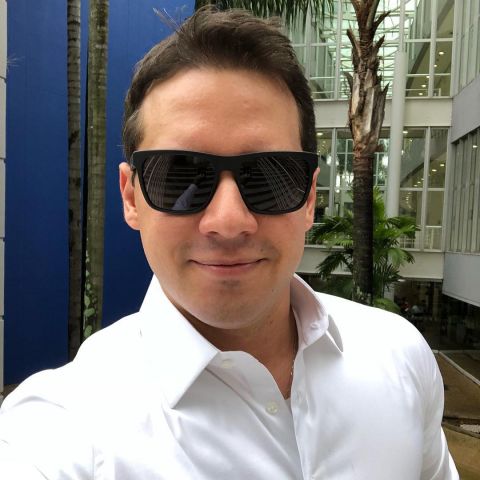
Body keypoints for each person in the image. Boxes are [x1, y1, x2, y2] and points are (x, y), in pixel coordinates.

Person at [0, 7, 458, 479]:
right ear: (131, 197)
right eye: (180, 176)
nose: (228, 221)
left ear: (308, 198)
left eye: (269, 177)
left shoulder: (399, 356)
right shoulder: (60, 430)